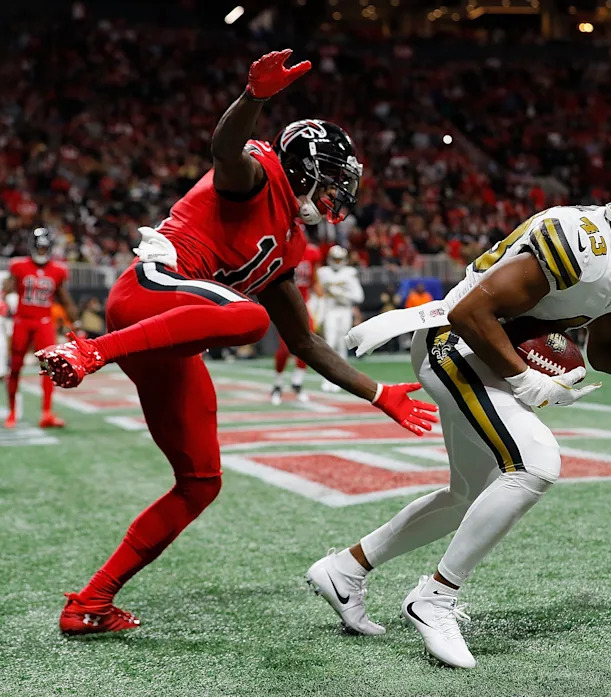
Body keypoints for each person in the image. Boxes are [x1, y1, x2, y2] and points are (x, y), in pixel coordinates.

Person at [35, 49, 438, 636]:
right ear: (303, 168)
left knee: (201, 482)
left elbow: (304, 340)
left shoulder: (291, 242)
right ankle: (89, 350)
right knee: (248, 318)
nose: (340, 194)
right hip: (149, 290)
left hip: (169, 336)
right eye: (332, 179)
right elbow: (225, 151)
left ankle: (91, 601)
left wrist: (378, 394)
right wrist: (253, 97)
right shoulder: (258, 173)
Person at [305, 158, 611, 669]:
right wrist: (524, 378)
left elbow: (608, 351)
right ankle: (434, 599)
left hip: (484, 348)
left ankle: (345, 570)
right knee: (535, 464)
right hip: (456, 343)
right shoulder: (583, 245)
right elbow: (469, 312)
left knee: (467, 495)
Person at [5, 228, 77, 429]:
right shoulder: (19, 266)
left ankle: (46, 412)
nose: (42, 251)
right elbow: (6, 289)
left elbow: (64, 299)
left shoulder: (57, 270)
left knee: (48, 367)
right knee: (15, 367)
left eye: (45, 248)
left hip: (43, 323)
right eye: (39, 247)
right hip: (22, 322)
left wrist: (76, 323)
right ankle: (12, 411)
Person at [271, 238, 322, 404]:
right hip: (284, 305)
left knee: (308, 343)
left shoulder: (312, 253)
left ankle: (297, 383)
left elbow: (315, 281)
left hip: (304, 304)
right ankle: (278, 384)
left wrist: (322, 300)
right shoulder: (281, 250)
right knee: (284, 348)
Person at [317, 244, 363, 392]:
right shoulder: (323, 272)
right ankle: (327, 378)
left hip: (344, 310)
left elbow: (359, 296)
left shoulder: (350, 273)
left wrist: (340, 294)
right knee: (329, 343)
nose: (337, 262)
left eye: (339, 259)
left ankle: (341, 380)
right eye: (334, 259)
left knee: (342, 344)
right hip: (330, 310)